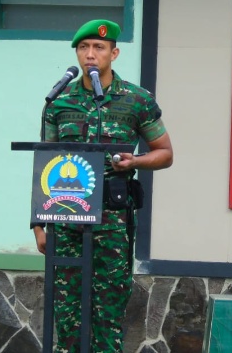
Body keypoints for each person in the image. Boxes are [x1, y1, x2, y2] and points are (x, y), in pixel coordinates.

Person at [32, 19, 173, 352]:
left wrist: (135, 161)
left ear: (114, 53)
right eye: (83, 48)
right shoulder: (59, 102)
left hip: (113, 224)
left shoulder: (136, 100)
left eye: (98, 48)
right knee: (67, 317)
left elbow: (165, 153)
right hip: (65, 223)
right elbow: (44, 166)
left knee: (107, 315)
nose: (90, 55)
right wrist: (38, 225)